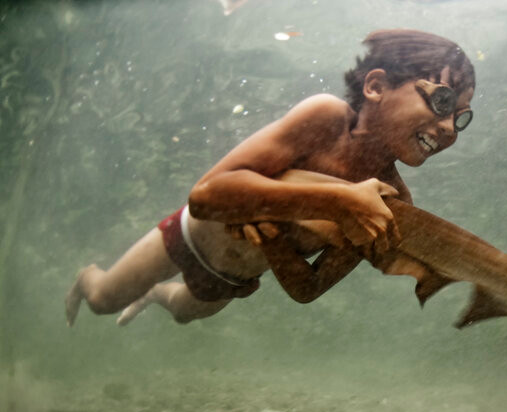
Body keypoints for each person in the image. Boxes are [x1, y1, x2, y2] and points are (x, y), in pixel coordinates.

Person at [66, 29, 475, 326]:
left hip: (232, 277)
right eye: (441, 100)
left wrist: (276, 240)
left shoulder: (392, 202)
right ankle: (87, 276)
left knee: (181, 312)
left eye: (461, 117)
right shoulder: (326, 119)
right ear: (376, 86)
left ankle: (155, 293)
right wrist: (342, 200)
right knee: (103, 300)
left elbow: (308, 289)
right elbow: (207, 197)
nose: (450, 128)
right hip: (188, 237)